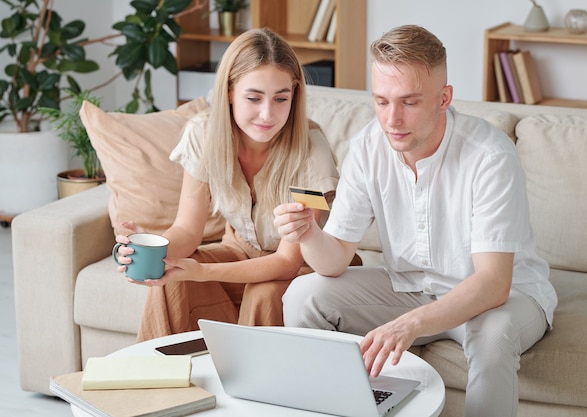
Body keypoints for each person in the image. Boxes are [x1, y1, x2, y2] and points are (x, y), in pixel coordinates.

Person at [273, 25, 557, 417]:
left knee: (493, 339)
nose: (392, 119)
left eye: (409, 102)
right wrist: (308, 233)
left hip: (502, 299)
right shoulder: (368, 146)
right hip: (411, 286)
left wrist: (410, 325)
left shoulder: (489, 155)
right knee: (304, 295)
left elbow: (493, 284)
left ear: (444, 98)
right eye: (382, 101)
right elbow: (334, 259)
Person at [113, 28, 341, 342]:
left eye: (280, 99)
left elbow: (288, 262)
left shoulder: (310, 150)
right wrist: (152, 253)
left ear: (295, 94)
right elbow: (187, 230)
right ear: (230, 92)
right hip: (240, 252)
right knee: (175, 280)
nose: (267, 114)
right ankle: (161, 383)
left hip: (305, 269)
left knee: (263, 294)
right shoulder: (203, 134)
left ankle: (252, 389)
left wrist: (202, 271)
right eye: (253, 98)